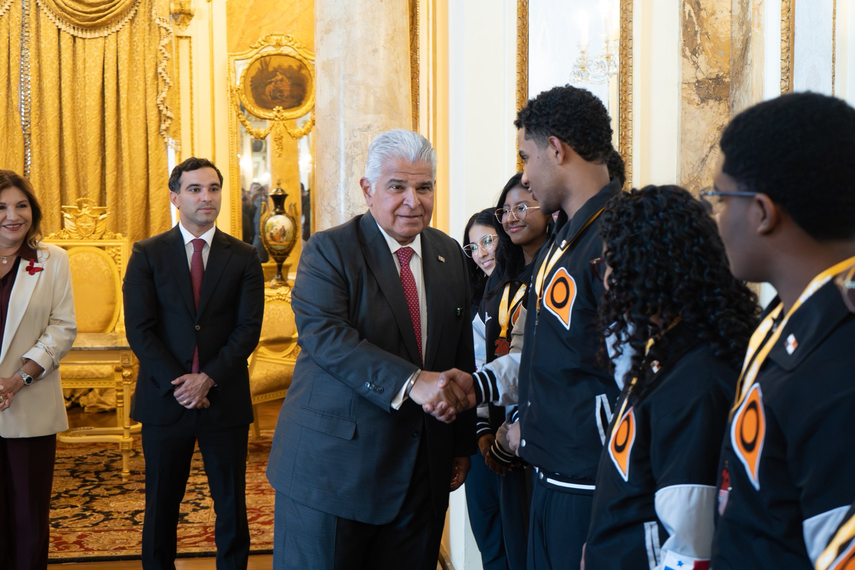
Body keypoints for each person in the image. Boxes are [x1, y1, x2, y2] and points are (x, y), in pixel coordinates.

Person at [266, 129, 476, 570]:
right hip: (334, 473)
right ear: (368, 189)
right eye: (397, 186)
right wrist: (411, 381)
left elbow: (458, 353)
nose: (412, 201)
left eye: (424, 187)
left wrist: (460, 443)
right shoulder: (329, 250)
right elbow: (328, 338)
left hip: (422, 473)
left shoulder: (449, 253)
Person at [442, 85, 625, 569]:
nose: (523, 173)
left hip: (591, 482)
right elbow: (551, 355)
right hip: (551, 473)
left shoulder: (620, 236)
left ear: (556, 149)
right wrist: (480, 384)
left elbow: (640, 384)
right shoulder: (567, 241)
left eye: (526, 156)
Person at [708, 92, 855, 569]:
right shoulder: (790, 323)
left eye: (719, 198)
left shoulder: (838, 369)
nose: (715, 217)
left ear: (762, 213)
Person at [583, 185, 758, 569]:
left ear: (655, 266)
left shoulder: (700, 382)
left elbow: (691, 546)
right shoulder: (664, 348)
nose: (607, 278)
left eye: (614, 263)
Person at [123, 157, 264, 570]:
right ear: (175, 197)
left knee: (232, 506)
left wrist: (208, 379)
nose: (207, 197)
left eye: (214, 188)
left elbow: (247, 330)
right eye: (196, 189)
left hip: (225, 400)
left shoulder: (243, 256)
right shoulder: (147, 254)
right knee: (161, 505)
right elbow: (141, 329)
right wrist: (181, 384)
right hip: (165, 401)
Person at [468, 174, 551, 570]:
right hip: (498, 427)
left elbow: (541, 363)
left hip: (534, 430)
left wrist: (514, 427)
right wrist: (485, 429)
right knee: (504, 547)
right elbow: (486, 357)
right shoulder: (502, 283)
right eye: (506, 210)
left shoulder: (554, 273)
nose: (512, 217)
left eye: (522, 206)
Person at [0, 170, 77, 570]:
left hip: (29, 402)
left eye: (21, 205)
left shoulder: (52, 260)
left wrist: (18, 378)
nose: (13, 215)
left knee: (30, 515)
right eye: (1, 206)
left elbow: (63, 328)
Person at [463, 208, 498, 319]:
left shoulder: (529, 285)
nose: (480, 254)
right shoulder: (475, 297)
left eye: (487, 241)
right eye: (473, 247)